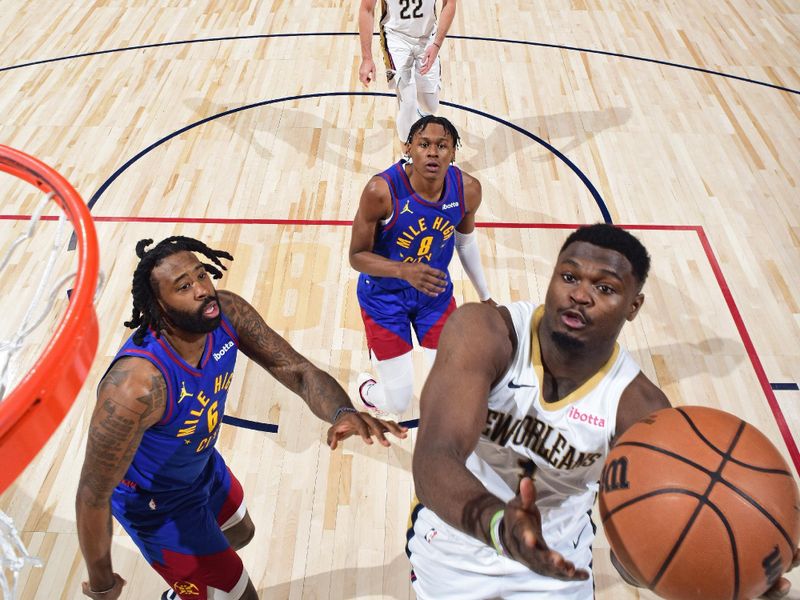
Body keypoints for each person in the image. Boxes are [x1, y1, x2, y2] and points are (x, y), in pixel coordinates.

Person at [408, 223, 799, 598]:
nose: (580, 295)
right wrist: (499, 526)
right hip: (457, 534)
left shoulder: (638, 408)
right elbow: (434, 456)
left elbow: (634, 560)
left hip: (556, 561)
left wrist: (730, 567)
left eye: (605, 287)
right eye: (569, 277)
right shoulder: (486, 333)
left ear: (634, 306)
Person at [75, 236, 406, 600]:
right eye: (184, 286)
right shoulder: (135, 388)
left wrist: (343, 412)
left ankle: (195, 590)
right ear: (159, 305)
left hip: (198, 467)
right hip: (156, 504)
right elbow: (92, 496)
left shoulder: (226, 313)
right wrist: (102, 584)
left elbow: (295, 369)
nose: (202, 290)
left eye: (201, 275)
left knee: (240, 532)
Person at [349, 115, 494, 417]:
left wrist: (485, 296)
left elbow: (465, 243)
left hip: (434, 296)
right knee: (397, 404)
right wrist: (404, 270)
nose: (432, 152)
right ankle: (365, 389)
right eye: (423, 144)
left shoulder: (468, 190)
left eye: (442, 145)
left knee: (448, 390)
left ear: (454, 152)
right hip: (384, 298)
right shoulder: (381, 191)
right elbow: (357, 256)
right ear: (409, 149)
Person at [358, 0, 457, 142]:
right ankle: (407, 156)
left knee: (430, 106)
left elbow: (450, 3)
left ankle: (416, 121)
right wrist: (367, 58)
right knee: (408, 102)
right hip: (395, 38)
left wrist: (436, 44)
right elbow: (366, 9)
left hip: (428, 37)